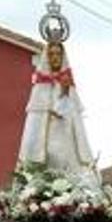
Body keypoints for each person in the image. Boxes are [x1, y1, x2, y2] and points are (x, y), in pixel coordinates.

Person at [18, 39, 94, 180]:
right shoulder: (41, 84)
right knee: (48, 158)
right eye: (51, 54)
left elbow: (73, 114)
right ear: (46, 57)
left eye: (58, 54)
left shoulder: (66, 82)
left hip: (65, 135)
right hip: (44, 137)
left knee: (67, 162)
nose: (55, 57)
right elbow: (34, 120)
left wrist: (63, 101)